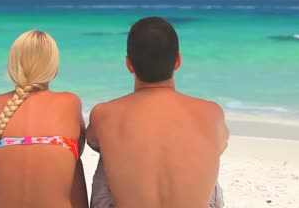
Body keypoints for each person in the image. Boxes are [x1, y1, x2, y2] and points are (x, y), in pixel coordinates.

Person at [87, 17, 229, 208]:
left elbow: (92, 141)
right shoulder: (212, 113)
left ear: (129, 64)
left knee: (108, 149)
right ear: (178, 61)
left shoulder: (103, 114)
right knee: (206, 159)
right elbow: (219, 147)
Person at [0, 30, 88, 208]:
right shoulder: (69, 102)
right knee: (72, 157)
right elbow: (77, 152)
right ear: (55, 69)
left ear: (11, 66)